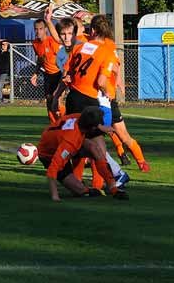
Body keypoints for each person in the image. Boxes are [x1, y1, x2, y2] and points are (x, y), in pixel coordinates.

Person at [52, 14, 129, 190]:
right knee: (94, 142)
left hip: (73, 98)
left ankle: (95, 180)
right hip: (89, 101)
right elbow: (101, 82)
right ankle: (115, 175)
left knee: (79, 142)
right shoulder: (107, 52)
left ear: (92, 30)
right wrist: (107, 92)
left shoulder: (81, 47)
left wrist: (56, 98)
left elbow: (67, 77)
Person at [38, 106, 127, 202]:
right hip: (49, 155)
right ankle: (86, 188)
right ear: (92, 127)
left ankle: (113, 188)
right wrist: (55, 196)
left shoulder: (79, 117)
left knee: (95, 148)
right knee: (80, 191)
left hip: (60, 140)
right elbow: (52, 169)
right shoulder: (70, 143)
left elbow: (91, 125)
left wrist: (102, 127)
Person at [97, 31, 151, 172]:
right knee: (104, 132)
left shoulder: (106, 45)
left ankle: (140, 161)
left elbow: (115, 66)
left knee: (116, 134)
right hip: (102, 96)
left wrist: (118, 80)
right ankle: (128, 157)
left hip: (105, 97)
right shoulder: (90, 43)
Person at [30, 17, 62, 123]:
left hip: (59, 73)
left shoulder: (52, 41)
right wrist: (35, 73)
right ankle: (53, 124)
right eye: (36, 29)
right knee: (49, 100)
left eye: (40, 29)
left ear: (46, 30)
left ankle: (63, 122)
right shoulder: (35, 43)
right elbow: (40, 58)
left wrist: (65, 75)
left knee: (57, 100)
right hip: (48, 75)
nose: (38, 31)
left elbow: (63, 58)